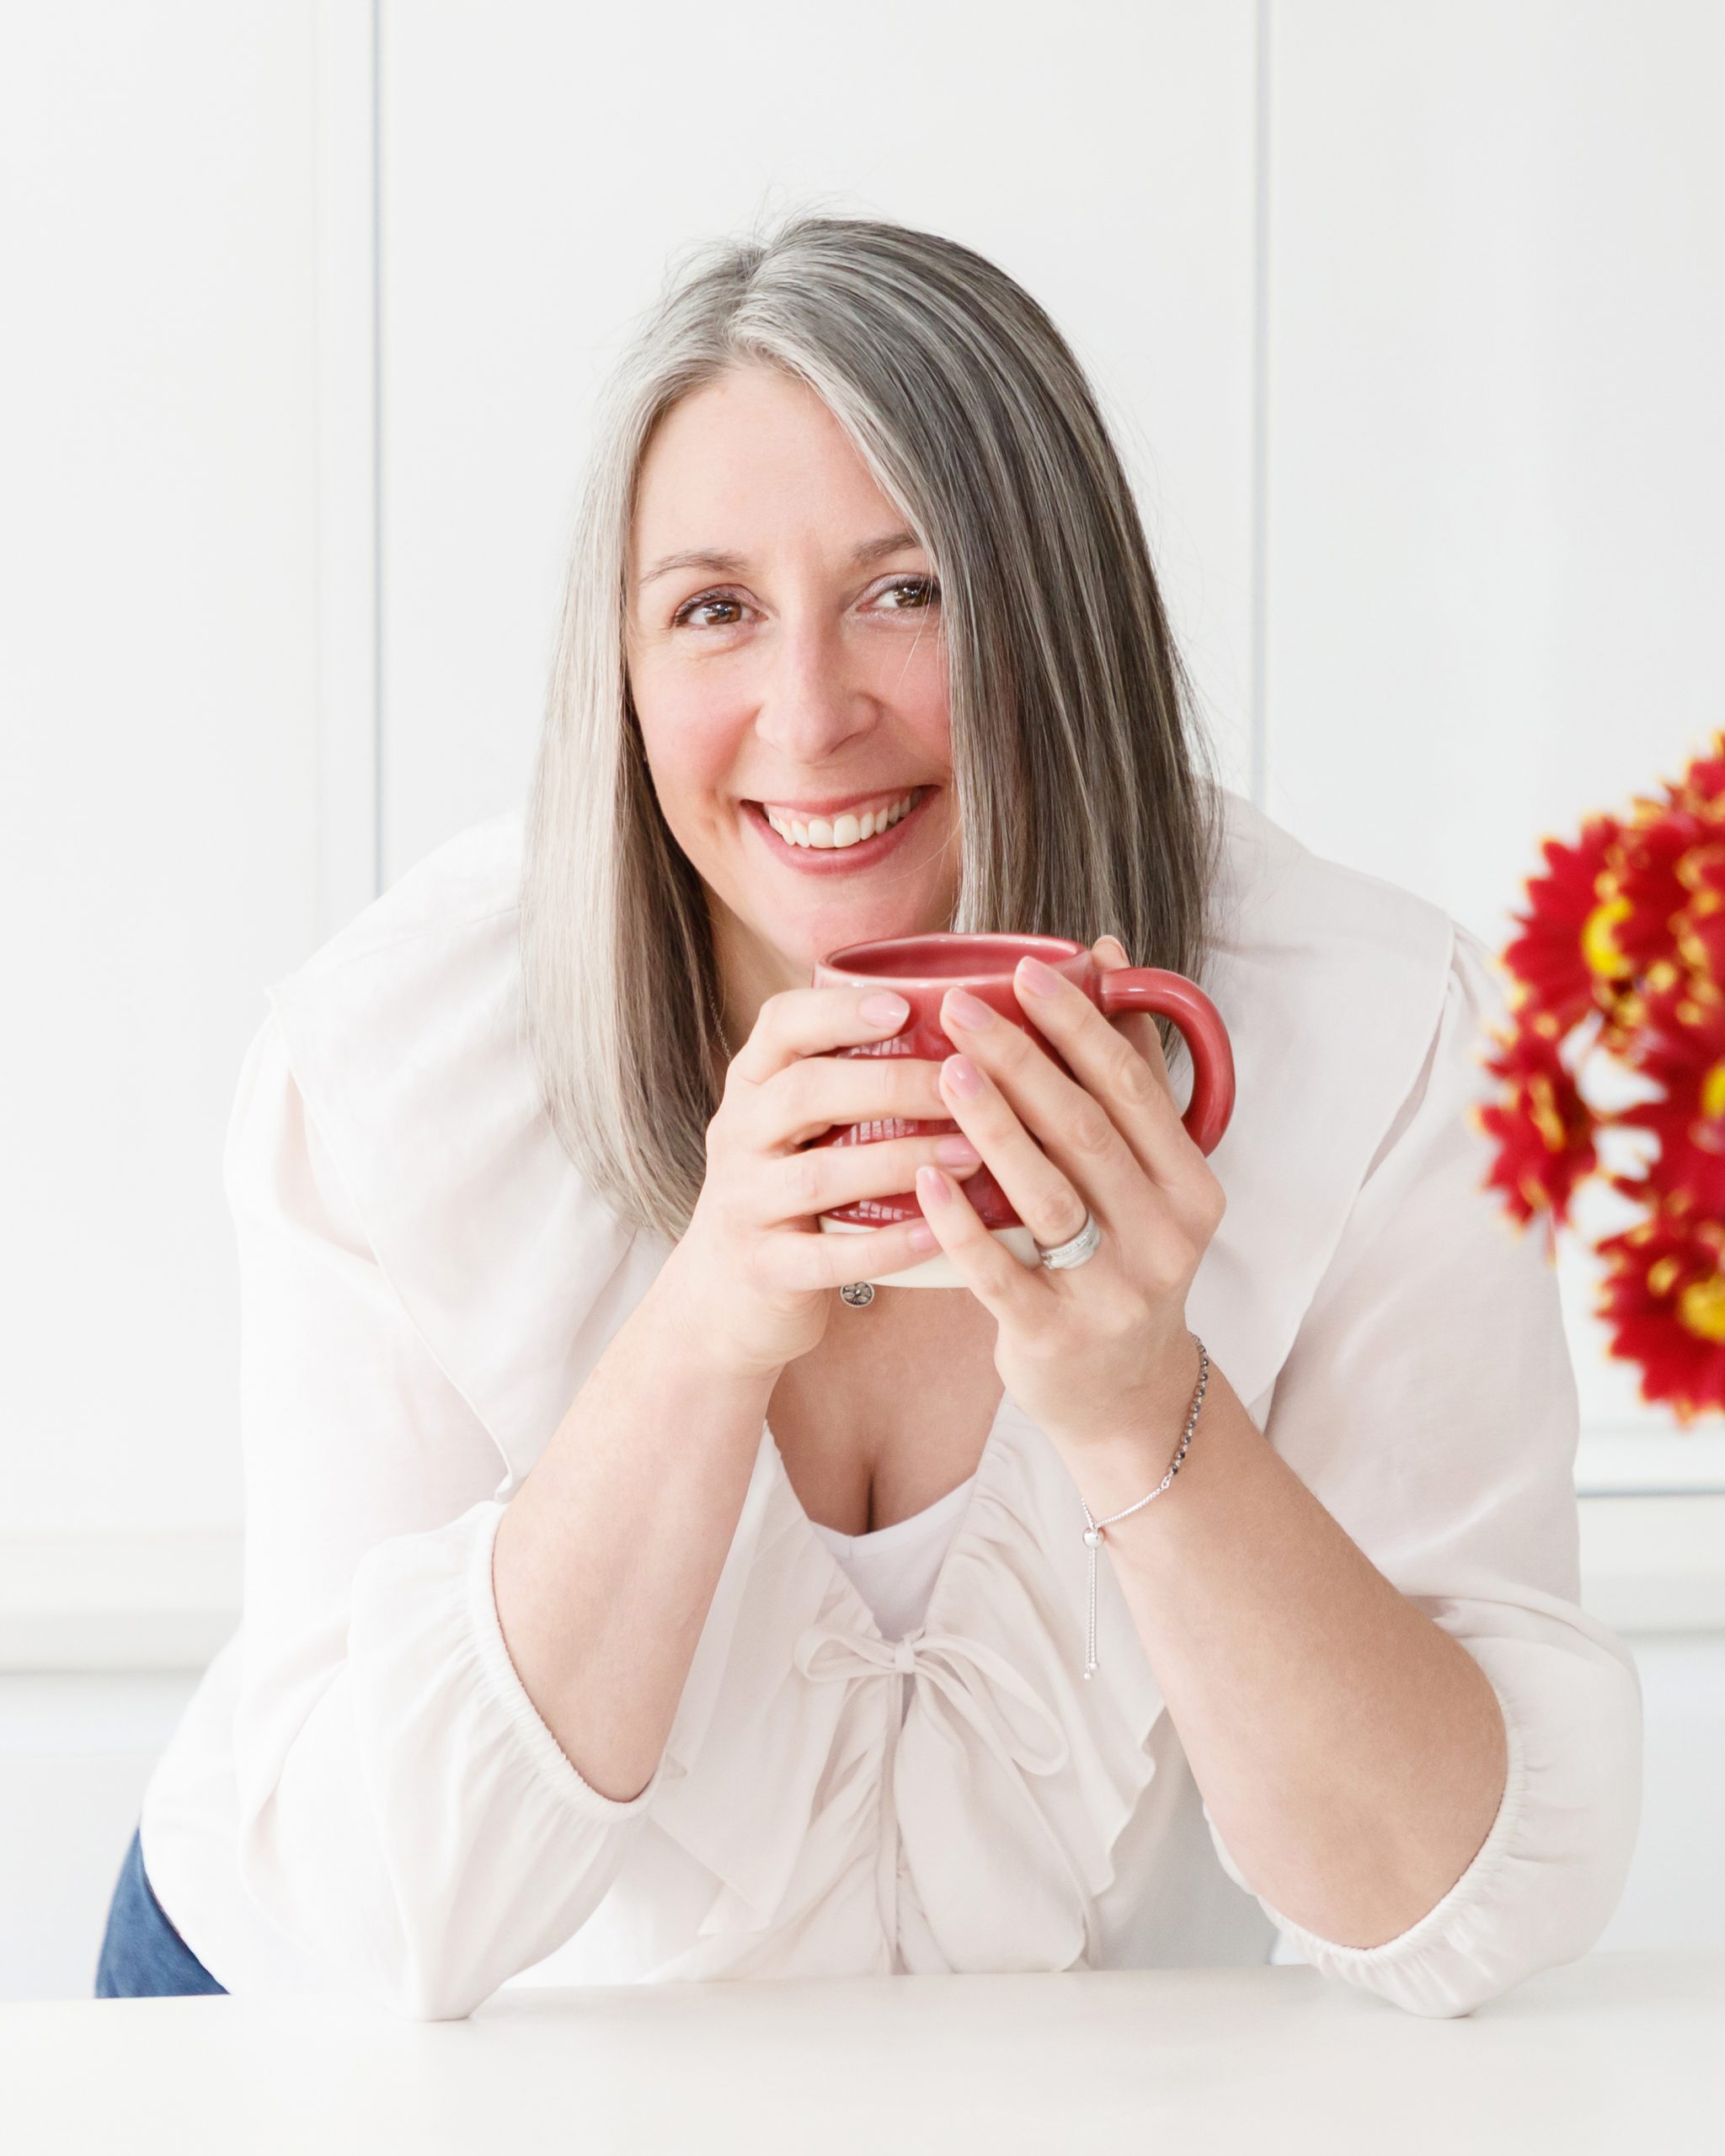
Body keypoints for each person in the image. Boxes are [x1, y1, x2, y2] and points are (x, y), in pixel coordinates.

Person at [99, 213, 1642, 2020]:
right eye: (713, 610)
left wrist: (1144, 1404)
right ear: (621, 674)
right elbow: (374, 1920)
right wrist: (701, 1327)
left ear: (1054, 624)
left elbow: (1442, 1902)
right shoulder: (393, 1070)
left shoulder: (1371, 1039)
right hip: (320, 2013)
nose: (810, 715)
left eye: (907, 590)